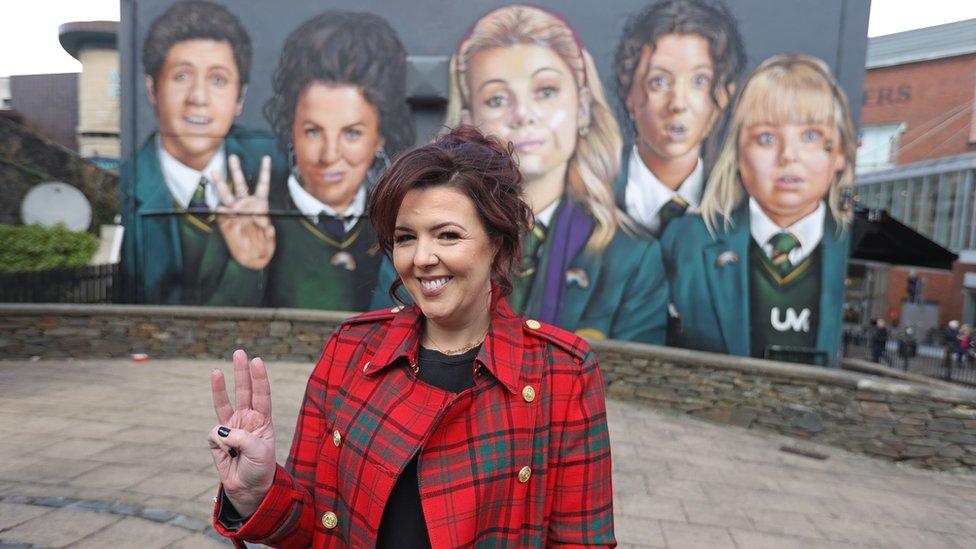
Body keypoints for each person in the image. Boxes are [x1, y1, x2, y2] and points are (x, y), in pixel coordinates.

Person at [207, 127, 615, 547]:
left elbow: (583, 541)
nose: (422, 258)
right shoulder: (350, 350)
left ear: (497, 243)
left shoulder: (563, 373)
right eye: (406, 238)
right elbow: (312, 530)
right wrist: (257, 493)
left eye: (448, 235)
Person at [371, 4, 668, 343]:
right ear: (468, 117)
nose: (523, 114)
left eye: (546, 91)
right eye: (497, 99)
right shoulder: (416, 244)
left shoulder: (632, 258)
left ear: (583, 107)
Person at [660, 54, 856, 366]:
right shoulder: (687, 242)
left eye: (811, 136)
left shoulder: (849, 244)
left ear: (842, 153)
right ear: (737, 153)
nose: (788, 155)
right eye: (766, 138)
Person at [119, 0, 286, 305]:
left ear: (240, 97)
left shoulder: (280, 163)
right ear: (152, 88)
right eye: (181, 76)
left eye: (217, 79)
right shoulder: (124, 185)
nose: (198, 98)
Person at [262, 11, 413, 310]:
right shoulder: (250, 217)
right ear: (290, 129)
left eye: (352, 133)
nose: (329, 155)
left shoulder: (401, 221)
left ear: (379, 137)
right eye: (313, 131)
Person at [612, 0, 745, 238]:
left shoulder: (740, 207)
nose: (678, 104)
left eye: (699, 81)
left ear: (724, 95)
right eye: (658, 81)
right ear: (628, 93)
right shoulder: (588, 195)